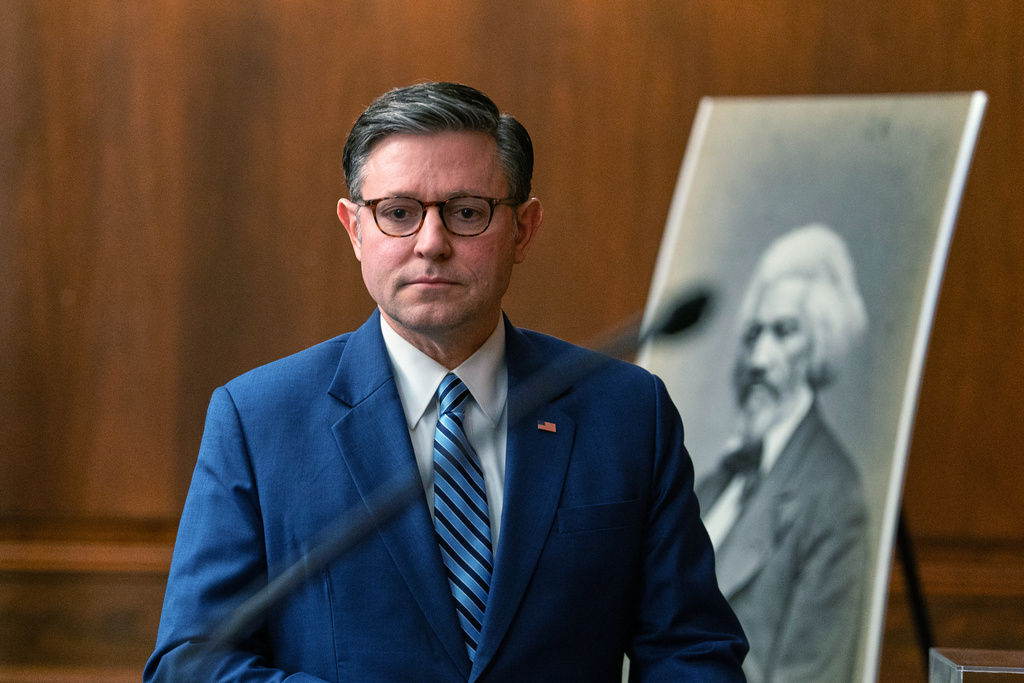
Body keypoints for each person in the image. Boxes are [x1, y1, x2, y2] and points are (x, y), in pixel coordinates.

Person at [145, 82, 746, 682]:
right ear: (355, 229)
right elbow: (190, 663)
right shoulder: (258, 420)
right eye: (398, 213)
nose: (431, 244)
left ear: (524, 229)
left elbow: (692, 653)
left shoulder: (627, 413)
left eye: (466, 213)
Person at [695, 224, 869, 683]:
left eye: (785, 332)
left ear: (820, 347)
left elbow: (812, 675)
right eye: (754, 334)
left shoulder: (835, 498)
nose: (759, 359)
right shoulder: (716, 484)